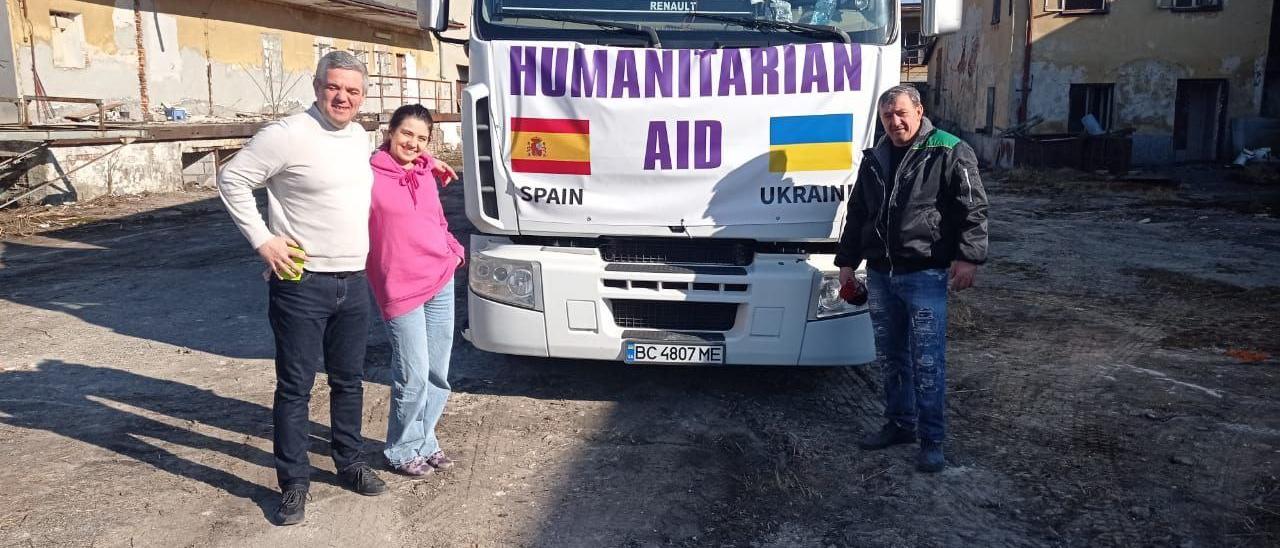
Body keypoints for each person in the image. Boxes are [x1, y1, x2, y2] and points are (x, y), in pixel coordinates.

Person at [218, 51, 388, 526]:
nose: (343, 97)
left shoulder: (358, 137)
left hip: (353, 281)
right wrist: (262, 240)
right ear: (317, 87)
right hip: (302, 284)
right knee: (295, 387)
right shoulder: (287, 135)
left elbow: (381, 173)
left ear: (363, 96)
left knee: (348, 382)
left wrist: (424, 160)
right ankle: (294, 483)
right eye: (334, 87)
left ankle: (349, 463)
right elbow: (232, 179)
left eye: (353, 91)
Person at [835, 85, 989, 473]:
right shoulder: (875, 158)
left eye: (902, 113)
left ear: (919, 111)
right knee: (891, 359)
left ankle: (932, 440)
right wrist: (846, 264)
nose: (895, 121)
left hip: (925, 274)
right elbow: (857, 215)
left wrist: (968, 258)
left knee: (927, 361)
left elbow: (973, 208)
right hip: (882, 276)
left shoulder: (949, 150)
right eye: (888, 116)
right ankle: (899, 425)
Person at [365, 104, 463, 477]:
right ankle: (401, 448)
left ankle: (426, 440)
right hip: (399, 286)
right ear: (390, 131)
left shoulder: (424, 173)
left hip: (439, 278)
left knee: (438, 371)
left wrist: (453, 252)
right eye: (406, 133)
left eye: (422, 138)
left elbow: (438, 220)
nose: (413, 143)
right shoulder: (366, 174)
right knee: (413, 373)